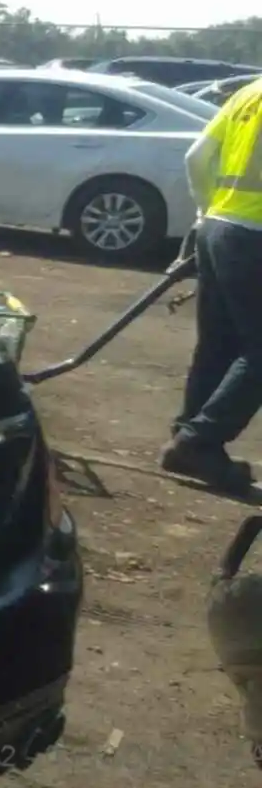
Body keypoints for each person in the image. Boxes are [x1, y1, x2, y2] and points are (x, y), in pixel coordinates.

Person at [165, 77, 262, 492]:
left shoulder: (250, 91)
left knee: (218, 343)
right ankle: (198, 442)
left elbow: (196, 157)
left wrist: (206, 214)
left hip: (219, 228)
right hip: (256, 236)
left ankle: (189, 435)